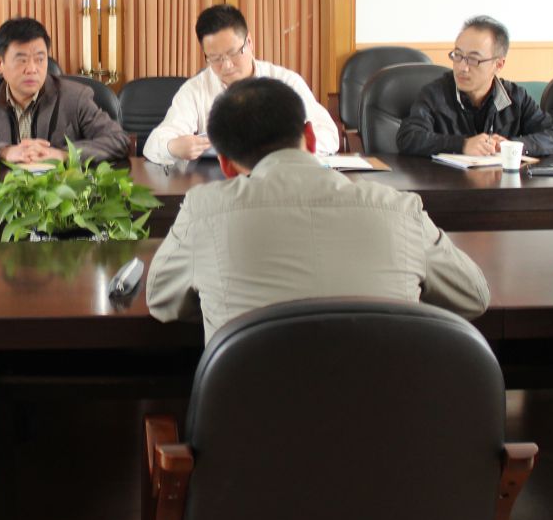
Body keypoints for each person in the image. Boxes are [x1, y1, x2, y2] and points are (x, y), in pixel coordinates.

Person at [146, 78, 489, 342]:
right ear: (310, 138)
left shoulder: (204, 212)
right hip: (387, 412)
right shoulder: (399, 209)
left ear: (225, 164)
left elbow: (161, 300)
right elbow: (473, 295)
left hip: (251, 414)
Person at [143, 4, 339, 165]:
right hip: (218, 186)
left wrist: (281, 145)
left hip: (277, 179)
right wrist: (173, 147)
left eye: (233, 53)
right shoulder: (196, 89)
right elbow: (153, 144)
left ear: (249, 42)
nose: (227, 65)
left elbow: (329, 135)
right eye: (215, 58)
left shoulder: (284, 81)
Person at [0, 16, 130, 165]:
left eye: (39, 59)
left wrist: (63, 155)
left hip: (59, 192)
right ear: (0, 63)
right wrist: (4, 152)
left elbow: (118, 140)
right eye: (21, 60)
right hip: (3, 191)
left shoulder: (75, 97)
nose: (32, 69)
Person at [397, 15, 553, 158]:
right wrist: (462, 145)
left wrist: (513, 146)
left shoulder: (515, 98)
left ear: (498, 65)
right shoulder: (435, 94)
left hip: (499, 185)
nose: (462, 67)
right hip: (448, 184)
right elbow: (408, 137)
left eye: (473, 59)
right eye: (458, 55)